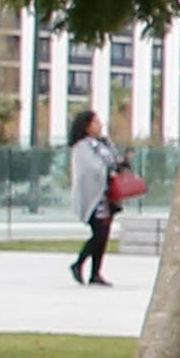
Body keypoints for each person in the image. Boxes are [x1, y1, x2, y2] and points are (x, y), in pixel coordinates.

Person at [65, 111, 119, 286]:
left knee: (103, 235)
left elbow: (112, 160)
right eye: (95, 122)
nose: (99, 125)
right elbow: (89, 170)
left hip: (107, 197)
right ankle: (78, 264)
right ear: (86, 126)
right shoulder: (82, 147)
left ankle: (95, 272)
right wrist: (107, 172)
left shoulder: (103, 143)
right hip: (94, 198)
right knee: (99, 233)